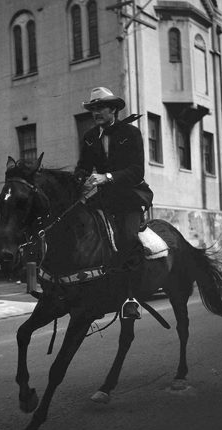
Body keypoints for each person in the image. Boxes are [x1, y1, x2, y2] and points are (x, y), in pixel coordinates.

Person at [75, 87, 153, 319]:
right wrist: (80, 179)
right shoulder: (90, 137)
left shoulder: (131, 133)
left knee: (128, 239)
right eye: (93, 109)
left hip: (128, 198)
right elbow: (83, 167)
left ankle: (131, 298)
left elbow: (137, 171)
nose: (95, 113)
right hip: (101, 199)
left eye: (100, 108)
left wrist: (107, 177)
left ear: (114, 109)